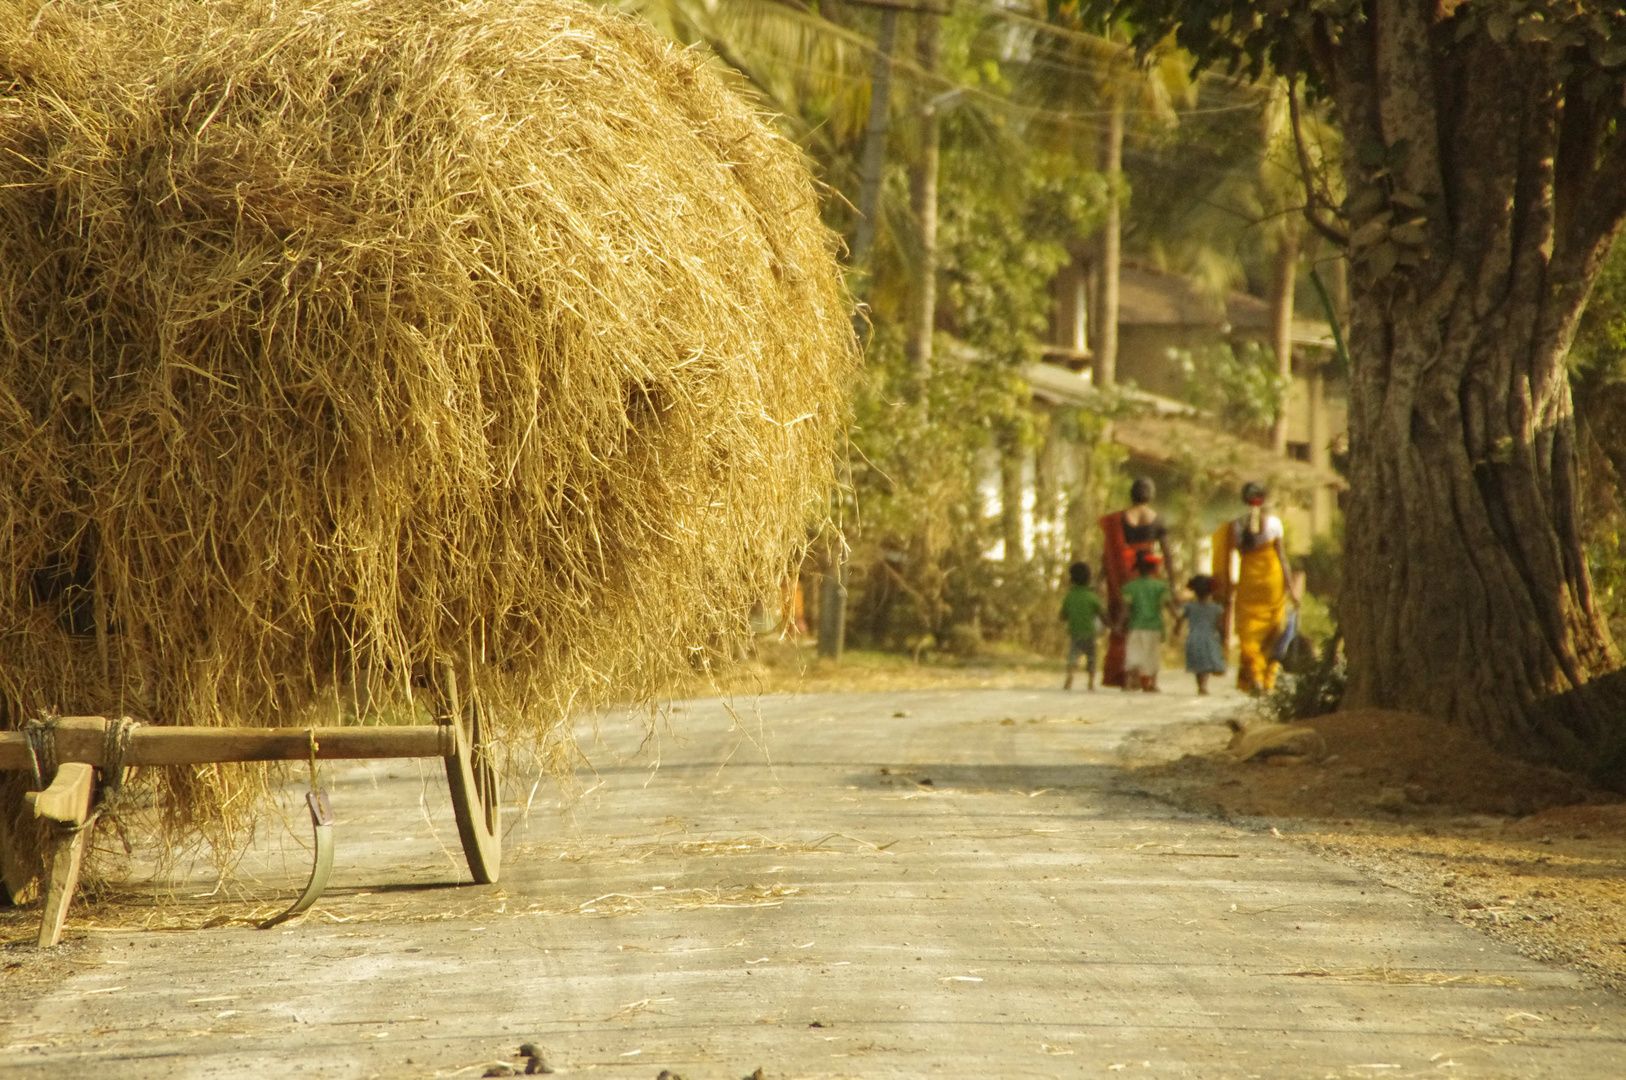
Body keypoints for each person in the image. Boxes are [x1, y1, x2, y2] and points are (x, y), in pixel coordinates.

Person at [1210, 481, 1301, 693]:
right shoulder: (1275, 524)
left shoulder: (1234, 527)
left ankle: (1256, 677)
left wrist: (1226, 588)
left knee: (1248, 635)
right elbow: (1282, 558)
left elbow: (1228, 559)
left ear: (1243, 500)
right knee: (1272, 633)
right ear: (1265, 499)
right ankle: (1269, 681)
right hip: (1272, 584)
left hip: (1248, 585)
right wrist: (1291, 589)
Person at [1098, 477, 1172, 688]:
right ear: (1152, 495)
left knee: (1124, 622)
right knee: (1146, 624)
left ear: (1131, 494)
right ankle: (1146, 678)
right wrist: (1173, 584)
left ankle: (1124, 675)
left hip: (1123, 574)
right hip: (1147, 572)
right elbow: (1167, 553)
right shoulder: (1157, 520)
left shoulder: (1118, 519)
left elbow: (1108, 554)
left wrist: (1100, 578)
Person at [1120, 551, 1172, 692]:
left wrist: (1120, 624)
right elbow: (1167, 604)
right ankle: (1152, 684)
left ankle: (1129, 682)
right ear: (1153, 569)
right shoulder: (1160, 587)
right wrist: (1177, 617)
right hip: (1154, 626)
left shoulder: (1130, 587)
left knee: (1133, 653)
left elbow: (1126, 608)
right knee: (1152, 655)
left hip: (1136, 625)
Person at [1059, 561, 1103, 691]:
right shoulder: (1092, 597)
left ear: (1071, 578)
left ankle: (1070, 677)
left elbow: (1063, 615)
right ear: (1089, 579)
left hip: (1075, 631)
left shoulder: (1069, 596)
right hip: (1090, 632)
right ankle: (1090, 683)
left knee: (1073, 655)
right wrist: (1113, 625)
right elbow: (1101, 613)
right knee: (1091, 657)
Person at [1181, 574, 1226, 696]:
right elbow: (1219, 625)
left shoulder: (1189, 607)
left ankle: (1200, 685)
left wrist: (1176, 630)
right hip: (1209, 638)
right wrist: (1223, 637)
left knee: (1198, 664)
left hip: (1193, 637)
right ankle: (1204, 686)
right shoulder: (1216, 608)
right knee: (1205, 664)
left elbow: (1180, 620)